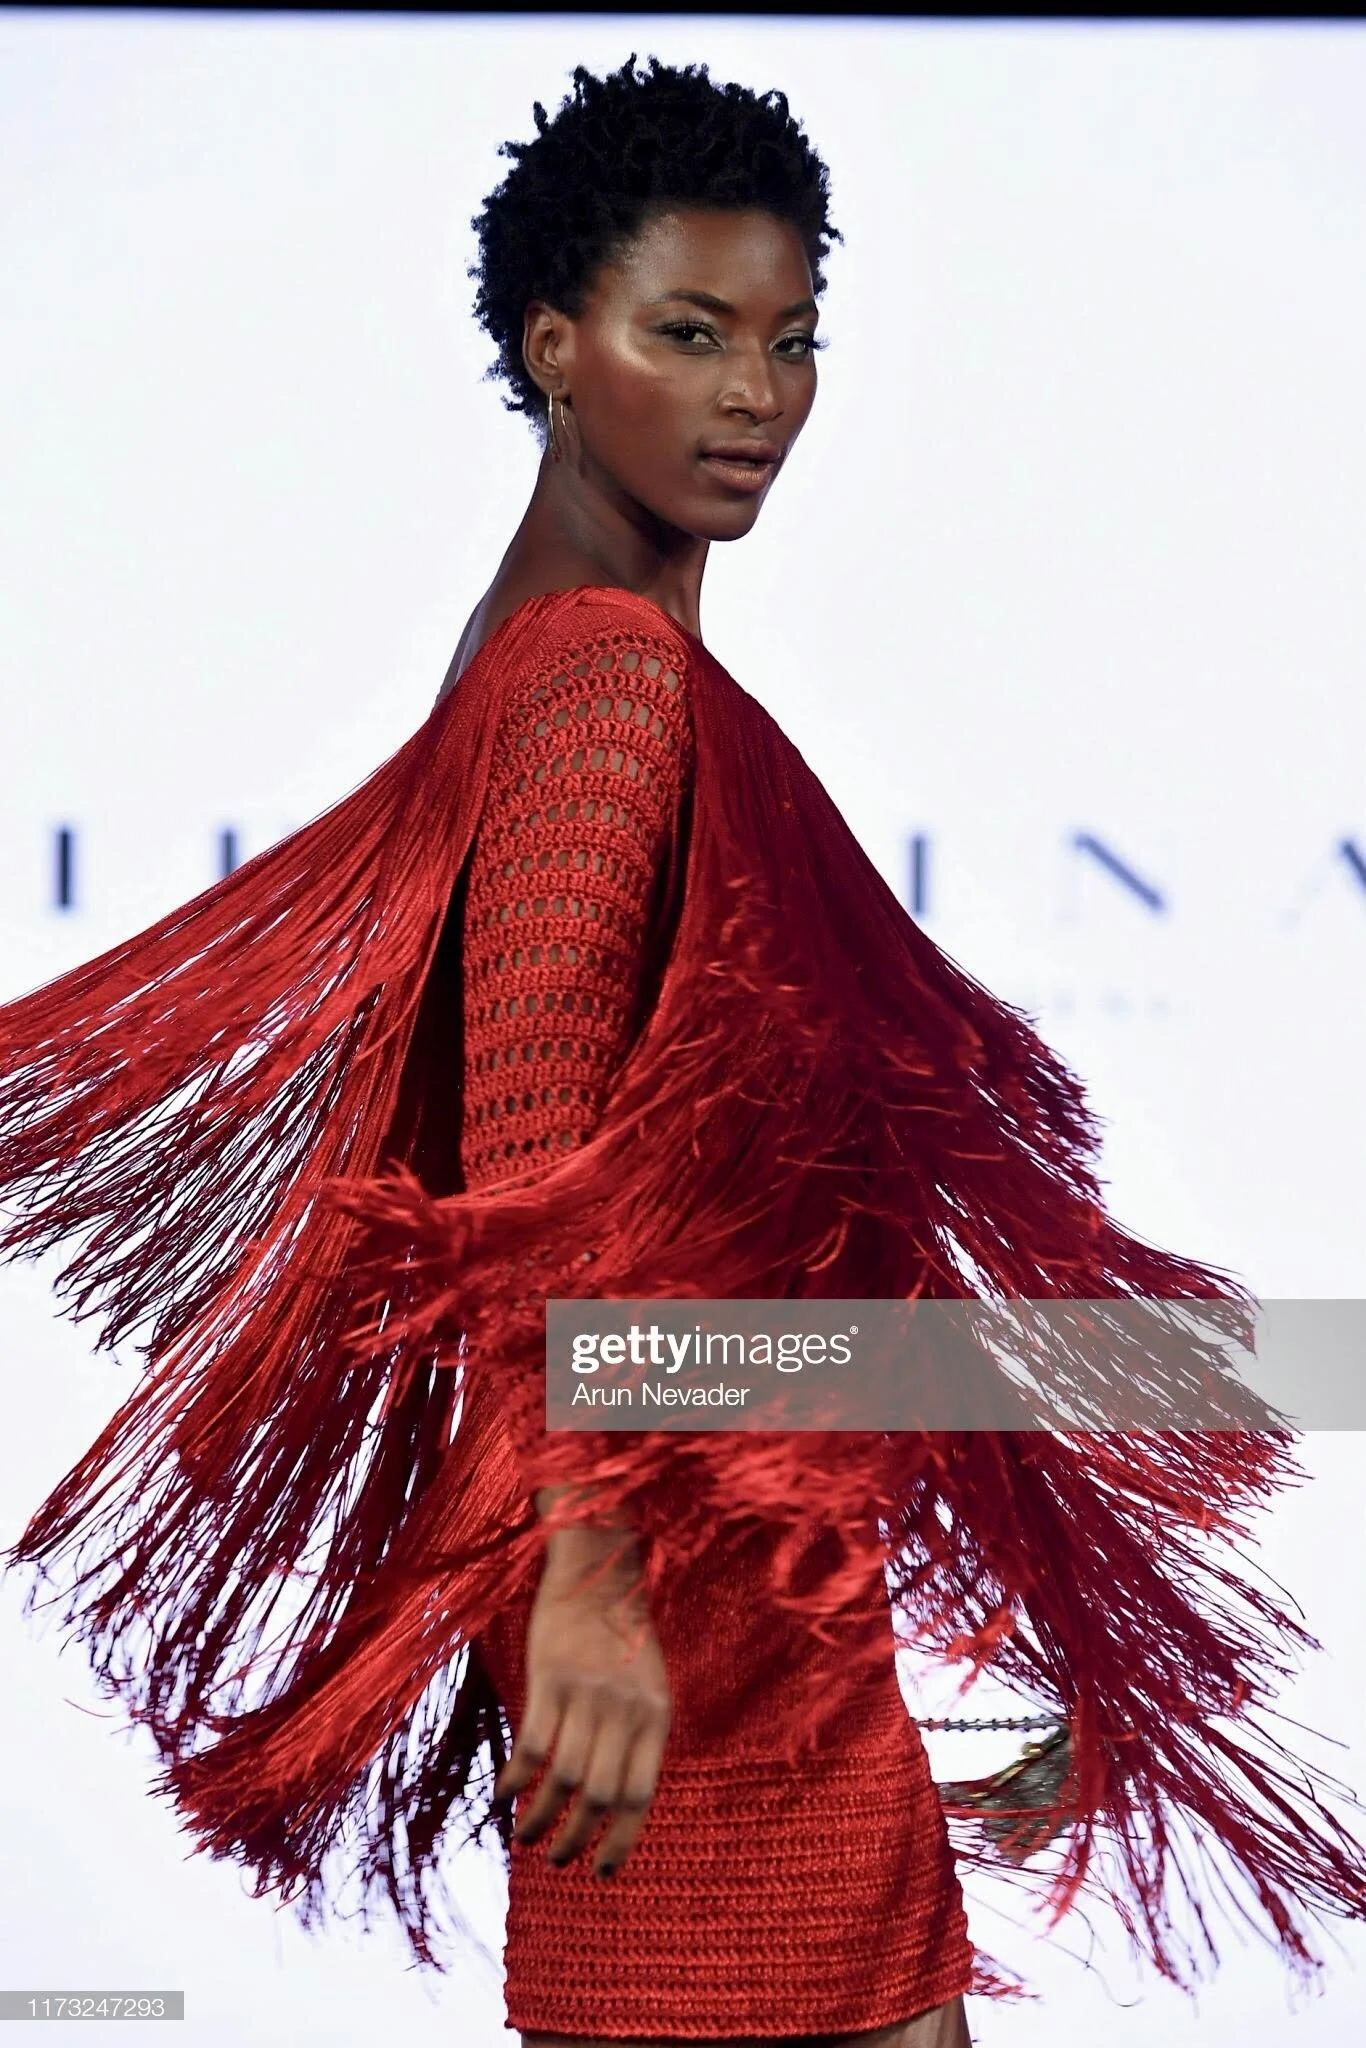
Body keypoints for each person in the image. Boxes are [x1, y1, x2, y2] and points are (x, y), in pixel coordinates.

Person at [2, 54, 1365, 2048]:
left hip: (726, 1546)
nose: (754, 394)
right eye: (690, 334)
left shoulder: (569, 645)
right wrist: (584, 1574)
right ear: (556, 345)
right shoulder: (600, 682)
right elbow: (528, 1140)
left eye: (790, 340)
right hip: (673, 1579)